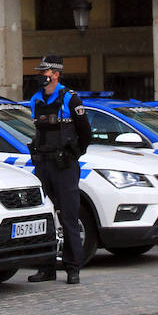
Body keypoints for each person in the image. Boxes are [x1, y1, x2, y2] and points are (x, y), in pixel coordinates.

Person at [26, 54, 92, 285]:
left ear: (55, 73)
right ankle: (46, 267)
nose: (40, 76)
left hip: (64, 166)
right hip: (43, 164)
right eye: (40, 72)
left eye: (44, 72)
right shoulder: (35, 100)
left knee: (69, 216)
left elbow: (86, 134)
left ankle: (73, 267)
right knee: (44, 216)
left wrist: (72, 155)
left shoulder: (70, 99)